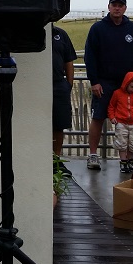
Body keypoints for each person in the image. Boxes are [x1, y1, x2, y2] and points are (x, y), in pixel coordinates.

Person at [83, 0, 133, 170]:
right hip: (104, 83)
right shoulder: (98, 29)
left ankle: (131, 157)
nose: (117, 8)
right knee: (98, 117)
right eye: (114, 5)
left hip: (129, 85)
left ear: (125, 8)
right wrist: (94, 81)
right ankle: (93, 155)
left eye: (120, 5)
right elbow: (90, 56)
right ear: (109, 6)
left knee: (131, 122)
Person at [108, 72, 133, 173]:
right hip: (121, 123)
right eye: (132, 87)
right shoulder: (117, 93)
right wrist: (112, 117)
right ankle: (123, 162)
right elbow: (111, 106)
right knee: (122, 143)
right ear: (126, 84)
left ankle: (130, 160)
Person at [51, 25, 77, 176]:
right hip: (39, 86)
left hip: (59, 85)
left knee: (59, 125)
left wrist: (69, 84)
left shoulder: (61, 34)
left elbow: (69, 61)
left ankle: (56, 160)